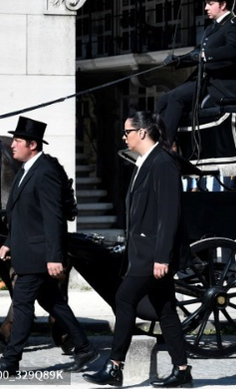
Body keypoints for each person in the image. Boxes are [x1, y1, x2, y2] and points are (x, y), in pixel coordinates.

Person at [0, 117, 98, 375]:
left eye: (18, 141)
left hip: (39, 254)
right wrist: (9, 243)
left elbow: (53, 218)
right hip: (26, 251)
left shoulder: (45, 172)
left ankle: (10, 362)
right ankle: (84, 346)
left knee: (22, 306)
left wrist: (55, 257)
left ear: (32, 145)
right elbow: (20, 214)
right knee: (52, 302)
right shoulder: (25, 169)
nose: (12, 145)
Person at [83, 112, 192, 387]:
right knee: (165, 310)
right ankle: (182, 371)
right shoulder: (144, 162)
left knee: (124, 298)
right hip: (143, 252)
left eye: (127, 131)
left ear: (143, 132)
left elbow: (170, 215)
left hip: (153, 254)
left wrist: (161, 257)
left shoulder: (163, 163)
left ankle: (115, 366)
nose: (124, 136)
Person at [157, 0, 236, 144]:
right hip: (203, 81)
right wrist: (177, 61)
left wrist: (206, 55)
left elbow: (233, 50)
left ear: (223, 5)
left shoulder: (233, 26)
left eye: (210, 4)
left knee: (176, 97)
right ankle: (154, 140)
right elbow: (196, 52)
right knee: (163, 99)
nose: (206, 8)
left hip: (218, 84)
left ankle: (166, 145)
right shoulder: (211, 28)